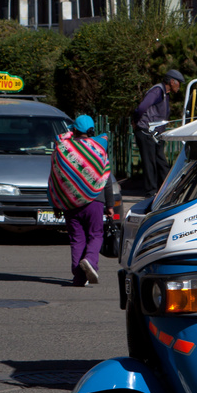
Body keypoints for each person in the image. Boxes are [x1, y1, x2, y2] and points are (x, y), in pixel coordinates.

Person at [50, 114, 112, 286]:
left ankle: (78, 277)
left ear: (74, 130)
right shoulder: (98, 148)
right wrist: (110, 204)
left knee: (77, 238)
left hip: (70, 202)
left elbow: (55, 177)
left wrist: (56, 203)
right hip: (95, 201)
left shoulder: (63, 149)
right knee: (96, 234)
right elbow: (106, 178)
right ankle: (91, 260)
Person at [131, 69, 185, 194]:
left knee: (161, 161)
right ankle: (151, 192)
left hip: (155, 134)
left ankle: (169, 189)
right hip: (145, 131)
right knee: (150, 162)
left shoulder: (165, 94)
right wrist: (136, 121)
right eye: (178, 83)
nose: (179, 87)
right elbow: (142, 108)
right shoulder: (157, 91)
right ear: (172, 82)